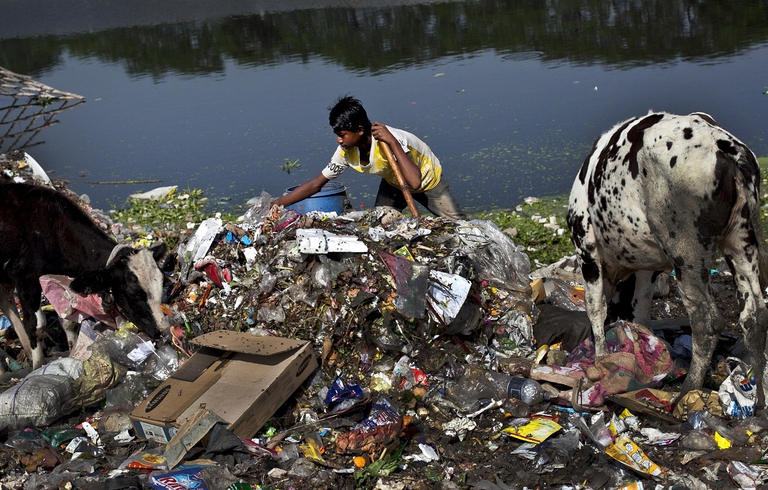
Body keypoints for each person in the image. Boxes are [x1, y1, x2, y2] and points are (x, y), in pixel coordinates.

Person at [271, 96, 465, 219]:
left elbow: (414, 182)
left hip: (427, 180)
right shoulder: (346, 152)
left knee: (462, 231)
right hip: (394, 181)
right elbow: (316, 184)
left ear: (360, 130)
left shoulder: (389, 141)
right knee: (379, 225)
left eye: (343, 134)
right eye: (336, 134)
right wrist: (279, 203)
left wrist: (393, 144)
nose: (339, 140)